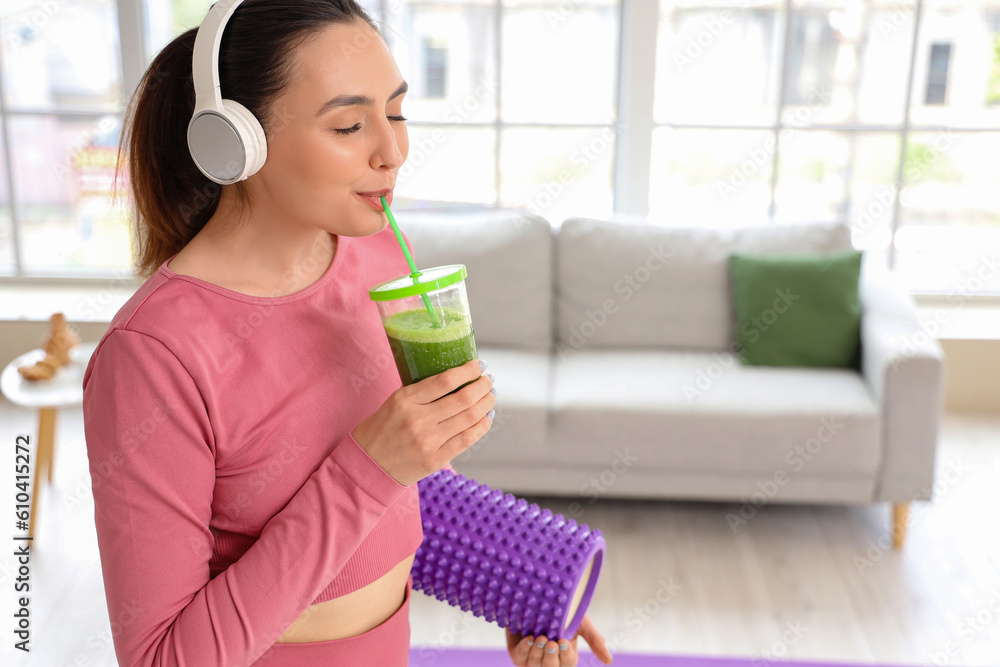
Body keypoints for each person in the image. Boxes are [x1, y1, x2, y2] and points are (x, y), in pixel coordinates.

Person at [82, 1, 612, 665]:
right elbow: (162, 658)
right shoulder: (154, 356)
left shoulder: (381, 258)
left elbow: (400, 502)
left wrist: (525, 583)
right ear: (236, 141)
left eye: (396, 112)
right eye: (349, 123)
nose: (392, 151)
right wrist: (370, 464)